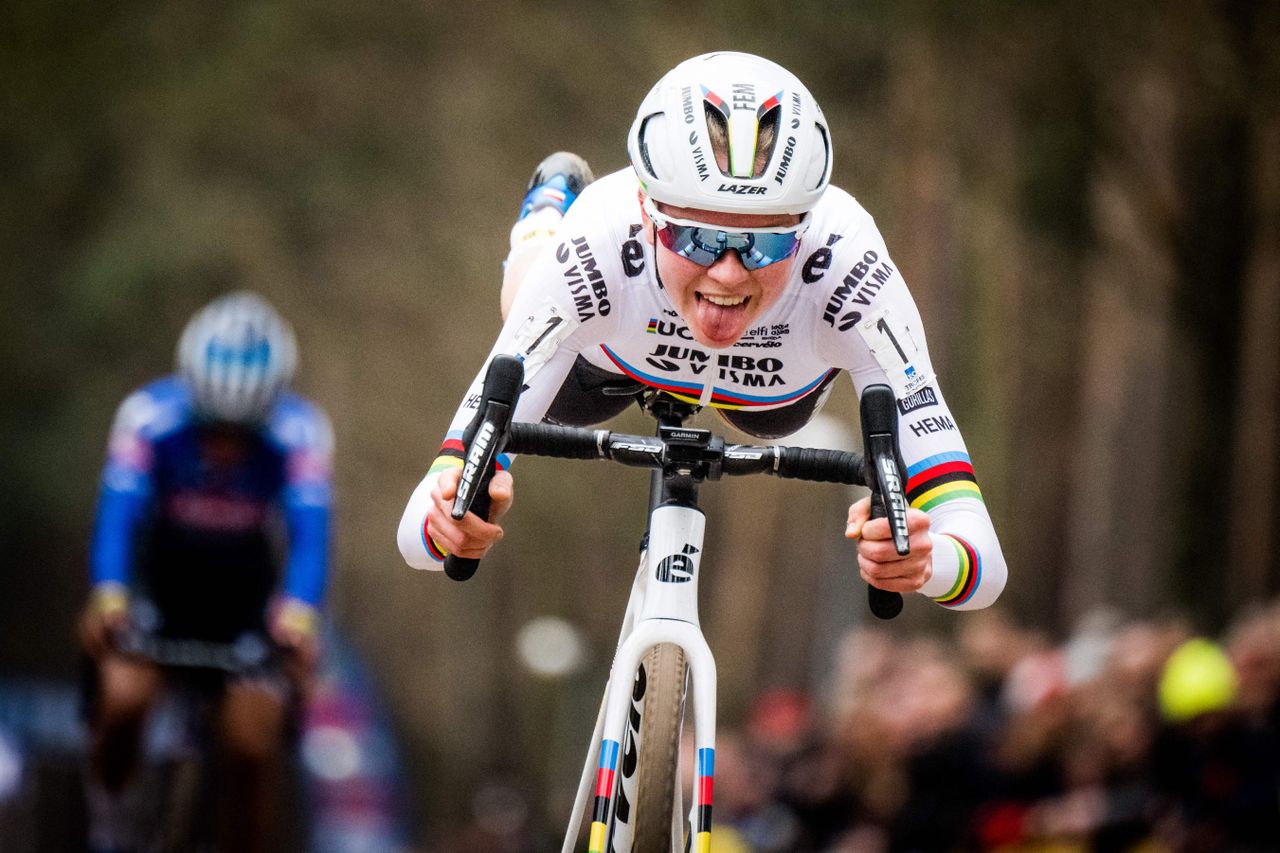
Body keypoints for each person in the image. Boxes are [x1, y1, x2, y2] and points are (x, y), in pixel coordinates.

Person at [398, 51, 1006, 612]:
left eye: (765, 242)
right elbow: (416, 537)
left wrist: (925, 562)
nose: (729, 272)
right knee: (537, 331)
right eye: (698, 237)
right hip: (612, 360)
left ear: (804, 225)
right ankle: (540, 223)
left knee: (765, 422)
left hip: (769, 398)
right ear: (646, 212)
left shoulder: (850, 266)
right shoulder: (602, 239)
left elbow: (985, 564)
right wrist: (451, 520)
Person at [80, 291, 334, 853]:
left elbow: (311, 539)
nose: (223, 449)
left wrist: (298, 614)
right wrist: (109, 596)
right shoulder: (148, 417)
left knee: (250, 745)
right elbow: (116, 521)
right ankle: (108, 818)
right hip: (161, 590)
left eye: (238, 437)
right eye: (212, 432)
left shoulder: (300, 432)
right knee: (123, 702)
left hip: (244, 603)